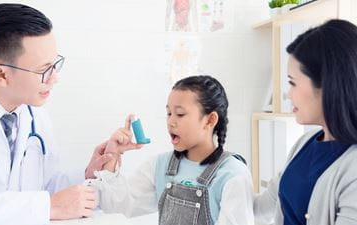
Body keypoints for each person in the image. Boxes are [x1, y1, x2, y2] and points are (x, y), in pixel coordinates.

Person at [0, 3, 119, 224]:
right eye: (43, 70)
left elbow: (43, 187)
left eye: (55, 65)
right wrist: (48, 207)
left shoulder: (33, 111)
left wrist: (88, 174)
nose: (54, 78)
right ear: (2, 75)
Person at [90, 75, 254, 225]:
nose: (171, 122)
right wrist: (113, 154)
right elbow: (114, 202)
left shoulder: (232, 173)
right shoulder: (160, 165)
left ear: (210, 120)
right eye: (169, 113)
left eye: (180, 114)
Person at [253, 19, 357, 225]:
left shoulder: (352, 168)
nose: (287, 94)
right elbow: (261, 207)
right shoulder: (306, 143)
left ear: (328, 84)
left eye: (292, 83)